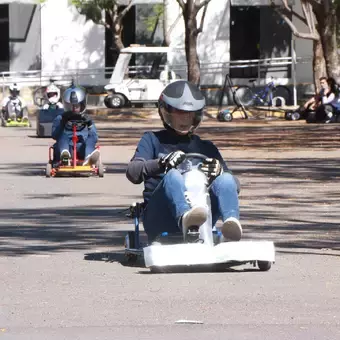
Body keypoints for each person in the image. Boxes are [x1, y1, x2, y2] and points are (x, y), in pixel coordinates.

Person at [126, 80, 242, 243]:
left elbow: (234, 185)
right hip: (160, 217)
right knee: (173, 175)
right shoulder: (151, 140)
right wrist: (161, 164)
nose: (185, 118)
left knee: (226, 178)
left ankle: (231, 224)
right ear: (165, 111)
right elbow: (133, 172)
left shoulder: (206, 147)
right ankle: (186, 218)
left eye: (190, 113)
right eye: (179, 112)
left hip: (203, 214)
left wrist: (220, 172)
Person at [51, 85, 99, 166]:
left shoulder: (87, 119)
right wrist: (62, 123)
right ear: (67, 105)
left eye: (76, 106)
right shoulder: (60, 118)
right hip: (66, 146)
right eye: (71, 106)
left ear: (81, 106)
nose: (74, 108)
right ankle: (65, 157)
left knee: (91, 138)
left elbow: (95, 137)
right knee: (63, 136)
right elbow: (54, 136)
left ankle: (88, 158)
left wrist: (90, 124)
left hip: (81, 148)